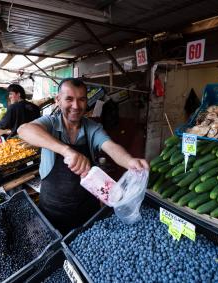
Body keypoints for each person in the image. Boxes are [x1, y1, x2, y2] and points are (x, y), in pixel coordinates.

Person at [18, 78, 149, 235]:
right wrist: (66, 150)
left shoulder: (92, 128)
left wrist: (129, 161)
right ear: (58, 100)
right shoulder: (50, 124)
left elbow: (111, 147)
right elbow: (24, 130)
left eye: (81, 99)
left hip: (87, 210)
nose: (76, 106)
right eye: (69, 99)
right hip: (52, 210)